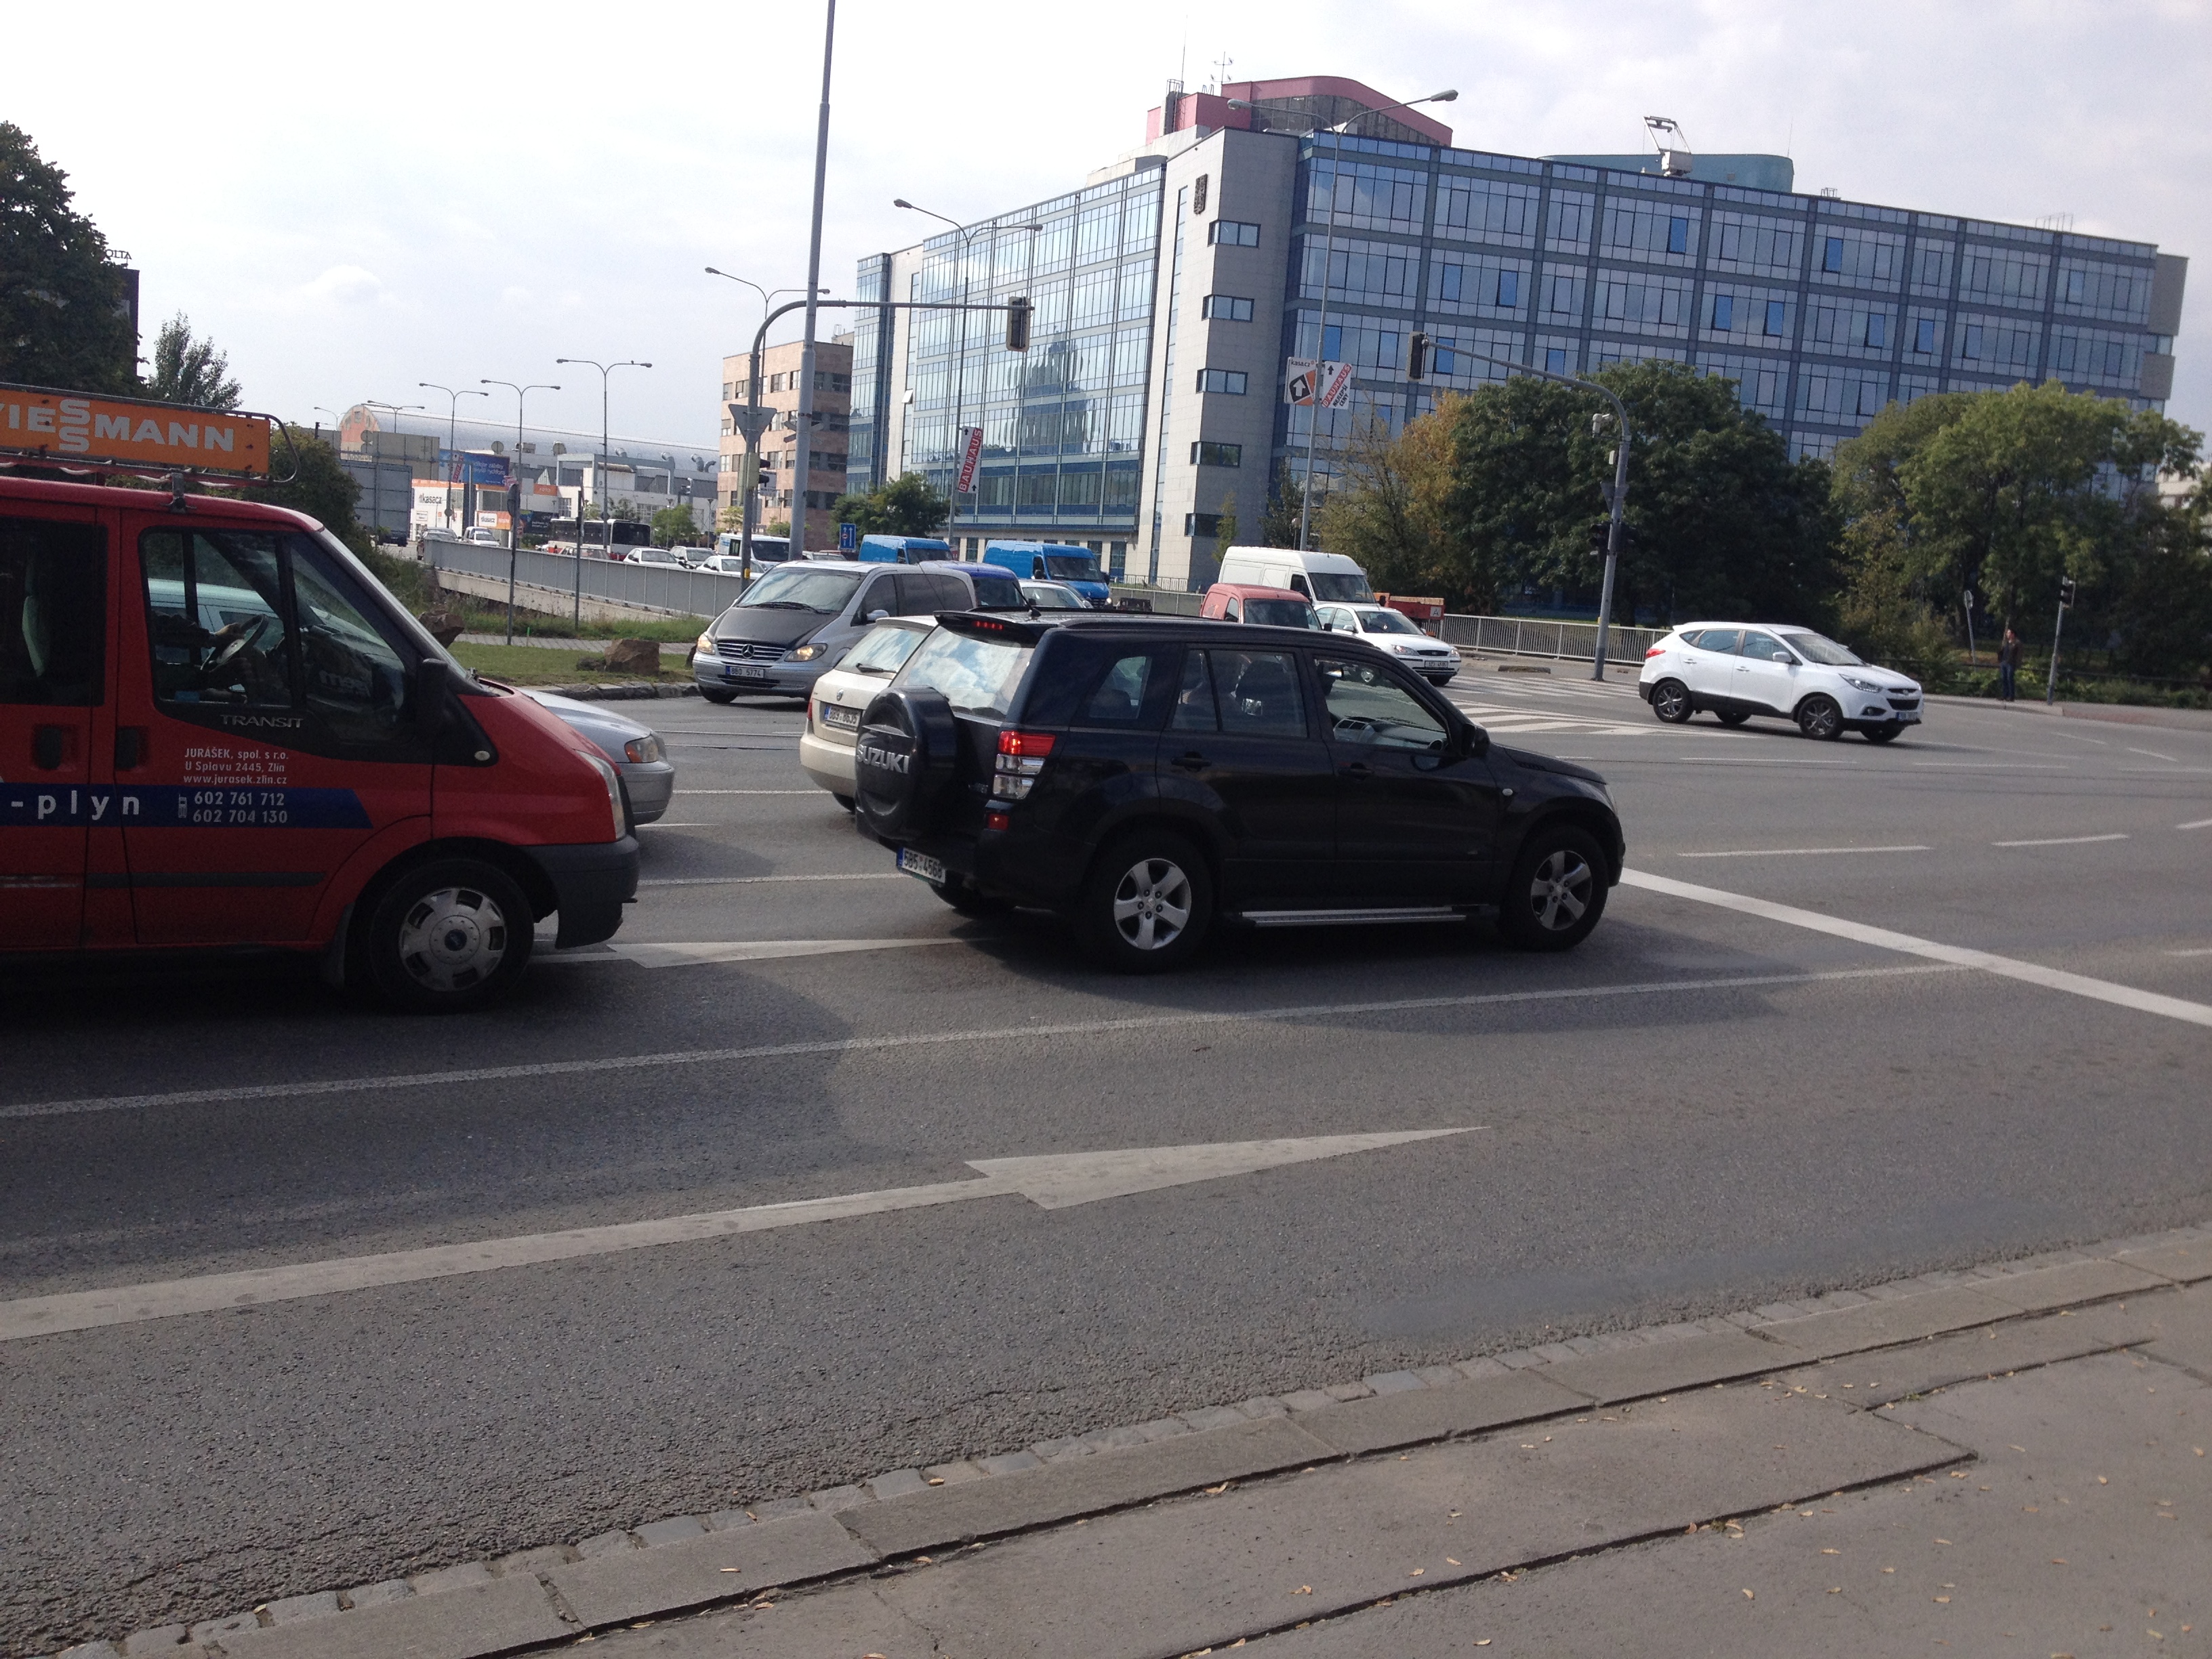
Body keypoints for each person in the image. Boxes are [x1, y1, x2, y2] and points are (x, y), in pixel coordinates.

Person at [1997, 628, 2022, 702]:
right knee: (2004, 678)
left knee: (2010, 678)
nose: (2007, 635)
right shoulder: (2006, 643)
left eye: (2009, 633)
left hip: (2011, 663)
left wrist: (2018, 663)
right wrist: (2000, 660)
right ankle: (2004, 695)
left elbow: (2019, 655)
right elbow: (2002, 651)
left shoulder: (2017, 643)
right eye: (2007, 633)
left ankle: (2011, 696)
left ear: (2013, 634)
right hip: (2004, 662)